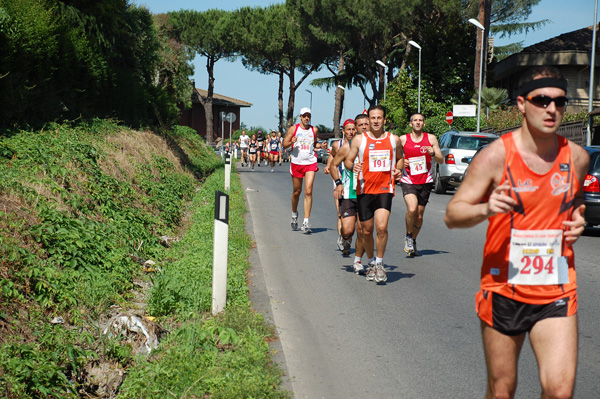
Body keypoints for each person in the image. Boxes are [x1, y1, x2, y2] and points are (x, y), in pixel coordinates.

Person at [444, 66, 589, 399]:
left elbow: (575, 198)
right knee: (502, 390)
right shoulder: (496, 157)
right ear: (522, 104)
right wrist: (486, 208)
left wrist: (578, 216)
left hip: (556, 289)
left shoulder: (577, 158)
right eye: (542, 100)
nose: (552, 109)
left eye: (560, 102)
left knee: (559, 392)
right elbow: (453, 214)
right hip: (504, 288)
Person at [344, 105, 403, 282]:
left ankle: (379, 263)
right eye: (373, 118)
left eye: (379, 118)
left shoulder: (394, 139)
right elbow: (348, 160)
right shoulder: (359, 140)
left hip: (385, 189)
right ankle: (370, 261)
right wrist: (352, 166)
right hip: (364, 189)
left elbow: (400, 159)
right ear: (368, 120)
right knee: (367, 231)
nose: (376, 121)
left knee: (382, 227)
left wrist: (398, 170)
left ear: (385, 120)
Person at [398, 113, 443, 256]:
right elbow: (394, 157)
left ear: (424, 123)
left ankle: (413, 239)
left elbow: (440, 160)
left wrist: (432, 154)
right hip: (408, 179)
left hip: (426, 179)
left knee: (419, 215)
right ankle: (408, 236)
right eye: (415, 120)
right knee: (412, 209)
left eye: (420, 120)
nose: (418, 122)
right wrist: (402, 161)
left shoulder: (431, 138)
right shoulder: (403, 139)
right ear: (410, 124)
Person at [330, 117, 368, 273]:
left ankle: (358, 260)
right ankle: (345, 238)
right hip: (349, 192)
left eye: (367, 125)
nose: (364, 127)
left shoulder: (376, 146)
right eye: (361, 125)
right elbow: (333, 165)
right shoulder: (347, 147)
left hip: (368, 193)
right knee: (347, 230)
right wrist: (338, 183)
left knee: (363, 230)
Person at [283, 107, 319, 233]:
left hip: (310, 162)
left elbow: (314, 144)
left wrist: (321, 145)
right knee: (297, 192)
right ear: (300, 117)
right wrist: (291, 141)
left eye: (308, 116)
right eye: (304, 116)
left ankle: (306, 222)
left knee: (308, 191)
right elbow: (284, 144)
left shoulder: (314, 129)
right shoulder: (294, 129)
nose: (306, 118)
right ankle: (294, 214)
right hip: (297, 162)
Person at [325, 119, 356, 255]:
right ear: (343, 131)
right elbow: (332, 158)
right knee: (340, 214)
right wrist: (328, 166)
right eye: (348, 129)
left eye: (353, 129)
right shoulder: (338, 145)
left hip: (354, 183)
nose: (351, 132)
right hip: (340, 181)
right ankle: (343, 238)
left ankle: (347, 239)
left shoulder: (359, 144)